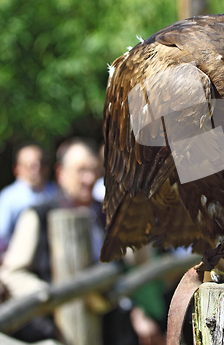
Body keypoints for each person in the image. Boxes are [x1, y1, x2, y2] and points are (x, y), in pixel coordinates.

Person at [0, 138, 163, 345]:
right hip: (55, 330)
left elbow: (133, 263)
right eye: (81, 171)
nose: (89, 178)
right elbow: (13, 272)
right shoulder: (38, 215)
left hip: (108, 323)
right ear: (61, 173)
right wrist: (50, 297)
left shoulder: (105, 213)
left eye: (94, 170)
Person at [0, 143, 56, 260]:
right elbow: (2, 237)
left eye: (40, 164)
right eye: (30, 165)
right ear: (17, 169)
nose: (36, 169)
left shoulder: (54, 191)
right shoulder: (9, 198)